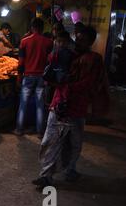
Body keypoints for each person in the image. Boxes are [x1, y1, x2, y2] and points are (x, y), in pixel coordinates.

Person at [33, 26, 109, 188]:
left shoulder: (93, 59)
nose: (79, 41)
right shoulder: (67, 55)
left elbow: (89, 83)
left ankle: (70, 170)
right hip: (59, 105)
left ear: (91, 41)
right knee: (50, 141)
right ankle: (46, 175)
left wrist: (67, 84)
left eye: (83, 39)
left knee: (74, 143)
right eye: (78, 38)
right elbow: (51, 75)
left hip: (76, 108)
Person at [15, 18, 54, 136]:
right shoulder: (49, 42)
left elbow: (21, 62)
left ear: (32, 27)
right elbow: (50, 61)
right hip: (42, 77)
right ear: (42, 28)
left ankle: (19, 129)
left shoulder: (24, 41)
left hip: (27, 76)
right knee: (40, 105)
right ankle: (40, 132)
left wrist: (19, 77)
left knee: (23, 104)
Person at [45, 31, 76, 121]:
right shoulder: (54, 53)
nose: (61, 44)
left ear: (67, 42)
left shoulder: (70, 55)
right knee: (51, 102)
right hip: (54, 83)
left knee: (59, 104)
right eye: (59, 41)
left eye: (63, 42)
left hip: (62, 85)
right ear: (55, 41)